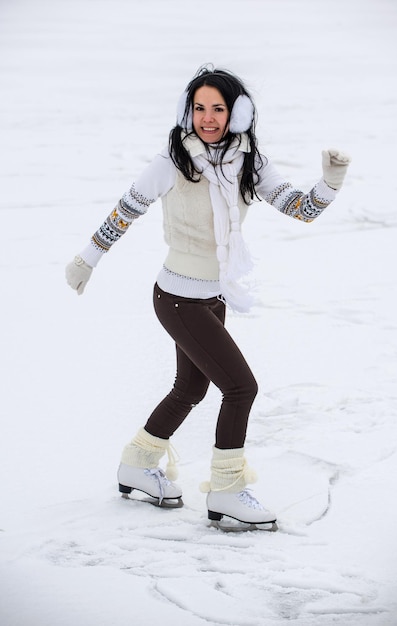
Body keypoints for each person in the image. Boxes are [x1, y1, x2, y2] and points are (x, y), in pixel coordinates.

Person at [66, 65, 350, 530]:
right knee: (240, 388)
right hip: (177, 298)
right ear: (187, 110)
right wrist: (87, 259)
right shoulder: (172, 162)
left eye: (218, 108)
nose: (208, 118)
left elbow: (301, 210)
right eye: (199, 108)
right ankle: (226, 491)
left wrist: (330, 181)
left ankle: (138, 464)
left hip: (213, 298)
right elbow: (125, 211)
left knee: (192, 387)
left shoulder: (248, 161)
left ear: (237, 113)